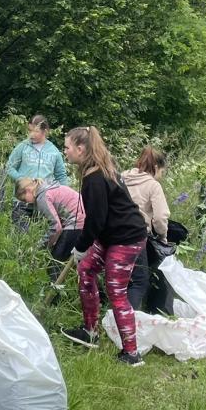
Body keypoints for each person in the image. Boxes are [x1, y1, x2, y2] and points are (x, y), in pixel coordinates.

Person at [60, 126, 148, 366]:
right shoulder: (96, 171)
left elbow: (95, 220)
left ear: (80, 149)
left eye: (67, 147)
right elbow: (99, 221)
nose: (65, 151)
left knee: (116, 291)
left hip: (126, 238)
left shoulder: (96, 178)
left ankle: (131, 354)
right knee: (86, 270)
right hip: (110, 236)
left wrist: (81, 246)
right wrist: (84, 248)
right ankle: (90, 331)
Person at [121, 146, 172, 313]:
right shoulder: (153, 185)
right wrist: (162, 236)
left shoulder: (122, 177)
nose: (161, 176)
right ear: (156, 167)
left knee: (120, 280)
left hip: (113, 233)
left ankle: (115, 314)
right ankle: (129, 320)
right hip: (136, 234)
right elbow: (160, 217)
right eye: (162, 172)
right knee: (139, 281)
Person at [5, 114, 68, 228]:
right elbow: (9, 167)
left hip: (44, 201)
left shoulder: (54, 151)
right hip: (22, 199)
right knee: (19, 232)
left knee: (41, 233)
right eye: (30, 130)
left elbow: (61, 176)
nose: (31, 135)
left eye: (36, 131)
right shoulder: (23, 146)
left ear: (45, 131)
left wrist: (63, 198)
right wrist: (22, 179)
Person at [16, 177, 86, 276]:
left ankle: (54, 285)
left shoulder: (42, 197)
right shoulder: (49, 186)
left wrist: (40, 246)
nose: (27, 203)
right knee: (77, 264)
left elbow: (56, 227)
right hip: (86, 219)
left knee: (54, 264)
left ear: (28, 190)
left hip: (77, 222)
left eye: (24, 199)